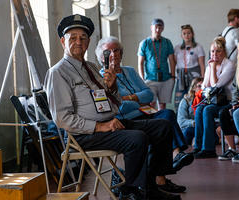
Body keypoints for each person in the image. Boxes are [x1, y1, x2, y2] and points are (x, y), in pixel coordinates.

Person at [44, 14, 181, 200]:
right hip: (85, 135)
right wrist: (100, 126)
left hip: (109, 124)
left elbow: (115, 105)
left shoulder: (91, 68)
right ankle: (134, 191)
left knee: (162, 126)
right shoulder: (58, 73)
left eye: (83, 38)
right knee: (136, 138)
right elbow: (62, 119)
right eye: (73, 37)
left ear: (88, 42)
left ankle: (151, 184)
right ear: (62, 41)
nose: (78, 41)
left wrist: (113, 87)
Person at [96, 36, 193, 175]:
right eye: (108, 52)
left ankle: (176, 154)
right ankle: (163, 174)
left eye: (116, 50)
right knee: (160, 129)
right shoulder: (101, 78)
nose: (113, 54)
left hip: (145, 113)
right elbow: (118, 106)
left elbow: (149, 94)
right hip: (127, 121)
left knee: (168, 114)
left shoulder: (129, 71)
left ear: (121, 53)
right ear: (101, 57)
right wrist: (137, 99)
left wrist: (129, 98)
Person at [193, 37, 236, 159]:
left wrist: (212, 68)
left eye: (218, 51)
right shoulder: (209, 66)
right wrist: (210, 71)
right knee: (200, 108)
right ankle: (198, 146)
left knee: (207, 110)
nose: (214, 54)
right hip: (213, 100)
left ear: (224, 52)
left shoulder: (229, 65)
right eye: (212, 51)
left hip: (227, 100)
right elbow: (205, 86)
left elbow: (216, 85)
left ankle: (209, 149)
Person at [138, 18, 176, 110]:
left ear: (163, 28)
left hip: (165, 78)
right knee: (151, 103)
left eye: (160, 27)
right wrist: (142, 79)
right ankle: (154, 122)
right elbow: (140, 62)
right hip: (150, 78)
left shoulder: (167, 42)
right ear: (151, 28)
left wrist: (173, 76)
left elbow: (171, 60)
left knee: (163, 105)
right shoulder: (145, 43)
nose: (158, 30)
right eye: (156, 27)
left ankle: (162, 123)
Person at [174, 24, 205, 110]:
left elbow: (202, 64)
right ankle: (179, 117)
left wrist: (202, 78)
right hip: (181, 75)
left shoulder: (198, 47)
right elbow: (174, 62)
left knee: (193, 96)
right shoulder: (177, 48)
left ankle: (193, 115)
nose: (187, 35)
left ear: (192, 34)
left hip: (194, 74)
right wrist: (174, 76)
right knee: (179, 98)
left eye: (188, 33)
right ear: (181, 35)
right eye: (184, 33)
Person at [177, 77, 203, 145]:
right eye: (199, 86)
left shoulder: (208, 100)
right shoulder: (186, 101)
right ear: (194, 88)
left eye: (204, 86)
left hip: (204, 127)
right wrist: (195, 123)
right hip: (191, 127)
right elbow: (181, 121)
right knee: (187, 132)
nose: (202, 89)